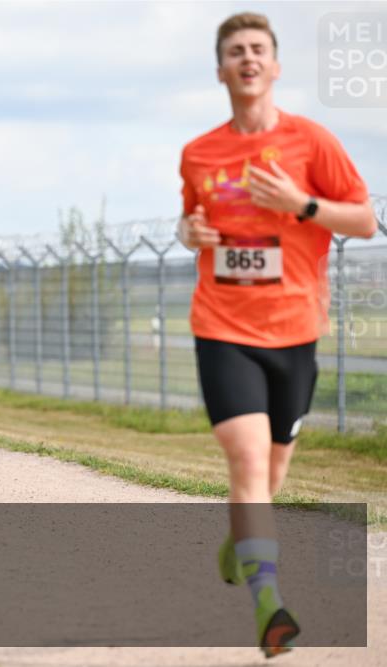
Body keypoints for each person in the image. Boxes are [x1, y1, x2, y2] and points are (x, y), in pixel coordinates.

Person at [177, 12, 376, 658]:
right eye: (235, 51)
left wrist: (302, 205)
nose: (248, 58)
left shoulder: (312, 142)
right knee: (248, 460)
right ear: (221, 70)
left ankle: (242, 541)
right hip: (221, 324)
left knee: (272, 472)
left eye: (258, 49)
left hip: (295, 330)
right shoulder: (198, 152)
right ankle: (269, 603)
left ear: (276, 65)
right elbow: (190, 220)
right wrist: (190, 235)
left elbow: (366, 221)